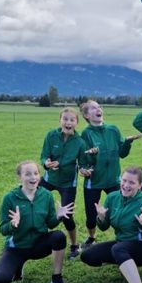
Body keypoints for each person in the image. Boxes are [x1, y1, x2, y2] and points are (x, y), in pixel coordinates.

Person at [80, 166, 142, 283]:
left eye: (131, 183)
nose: (126, 185)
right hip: (122, 244)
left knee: (118, 248)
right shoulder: (112, 197)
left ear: (140, 185)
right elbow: (104, 227)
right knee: (87, 256)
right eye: (124, 181)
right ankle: (126, 264)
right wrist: (101, 217)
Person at [0, 160, 74, 283]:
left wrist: (59, 216)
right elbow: (3, 229)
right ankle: (17, 266)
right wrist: (12, 224)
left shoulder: (46, 195)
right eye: (28, 174)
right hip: (17, 247)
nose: (33, 177)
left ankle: (56, 279)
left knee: (58, 236)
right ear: (20, 177)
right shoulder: (10, 198)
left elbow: (51, 223)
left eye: (36, 173)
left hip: (38, 245)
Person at [80, 100, 142, 250]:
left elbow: (122, 154)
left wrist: (127, 142)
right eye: (94, 108)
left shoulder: (113, 130)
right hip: (93, 181)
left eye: (99, 107)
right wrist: (89, 161)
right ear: (86, 115)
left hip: (114, 180)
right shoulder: (86, 134)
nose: (98, 109)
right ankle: (91, 237)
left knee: (120, 211)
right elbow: (85, 158)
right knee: (91, 214)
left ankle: (123, 239)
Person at [39, 107, 98, 260]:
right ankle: (31, 237)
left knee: (66, 216)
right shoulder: (51, 136)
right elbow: (44, 155)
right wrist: (46, 163)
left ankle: (73, 245)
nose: (68, 122)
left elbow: (84, 163)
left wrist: (84, 170)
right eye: (65, 119)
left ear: (76, 123)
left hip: (67, 183)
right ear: (60, 121)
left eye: (72, 120)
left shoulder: (80, 142)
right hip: (49, 179)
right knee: (33, 201)